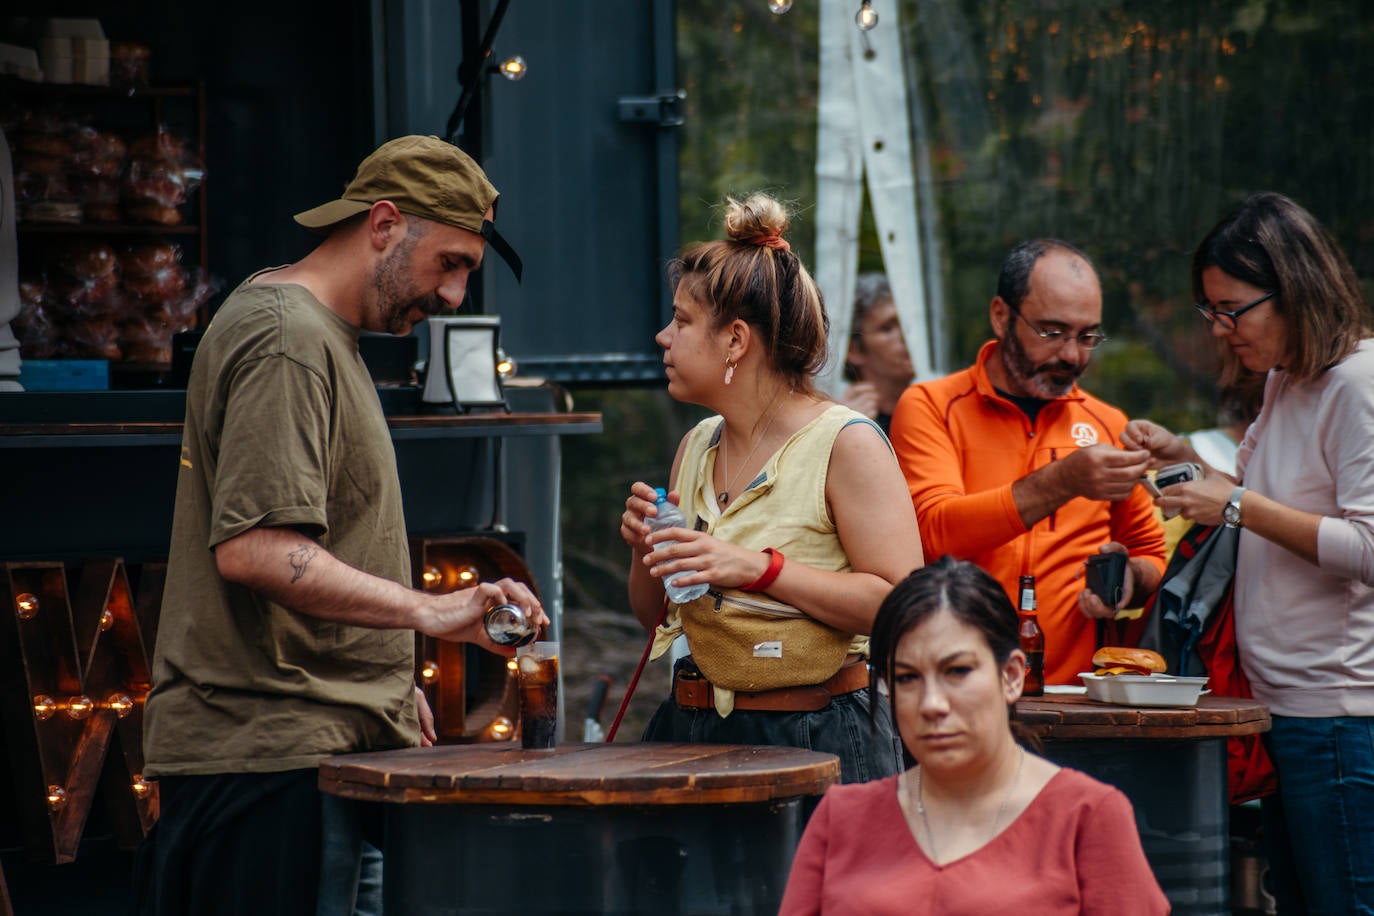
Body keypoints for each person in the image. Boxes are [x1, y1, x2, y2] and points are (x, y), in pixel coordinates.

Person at [135, 135, 545, 916]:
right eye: (450, 264)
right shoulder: (288, 338)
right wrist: (431, 613)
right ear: (384, 223)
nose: (454, 298)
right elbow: (257, 551)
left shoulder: (318, 333)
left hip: (318, 749)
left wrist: (385, 681)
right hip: (272, 764)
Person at [1122, 191, 1374, 914]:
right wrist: (1180, 458)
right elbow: (1259, 492)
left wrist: (1231, 503)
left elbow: (1367, 544)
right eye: (1211, 312)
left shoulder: (1356, 383)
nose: (1221, 330)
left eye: (1234, 309)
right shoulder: (1287, 381)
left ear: (1294, 290)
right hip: (1280, 706)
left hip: (1339, 712)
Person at [619, 192, 923, 783]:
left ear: (735, 341)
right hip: (693, 733)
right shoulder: (696, 446)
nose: (663, 336)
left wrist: (756, 568)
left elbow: (900, 607)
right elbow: (653, 616)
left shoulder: (846, 444)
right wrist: (644, 552)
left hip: (819, 742)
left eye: (681, 321)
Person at [778, 556, 1168, 915]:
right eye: (907, 678)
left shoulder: (1086, 815)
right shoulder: (843, 817)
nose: (931, 703)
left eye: (958, 671)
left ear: (1013, 675)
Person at [888, 239, 1166, 685]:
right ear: (1001, 315)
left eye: (1087, 336)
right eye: (1052, 333)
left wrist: (1129, 577)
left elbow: (1151, 552)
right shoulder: (931, 406)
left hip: (1080, 694)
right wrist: (1063, 480)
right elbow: (934, 531)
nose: (1072, 355)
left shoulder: (1105, 421)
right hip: (955, 687)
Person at [840, 273, 915, 433]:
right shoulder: (848, 423)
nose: (906, 336)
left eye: (908, 323)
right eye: (887, 328)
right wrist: (844, 432)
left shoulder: (939, 409)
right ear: (854, 351)